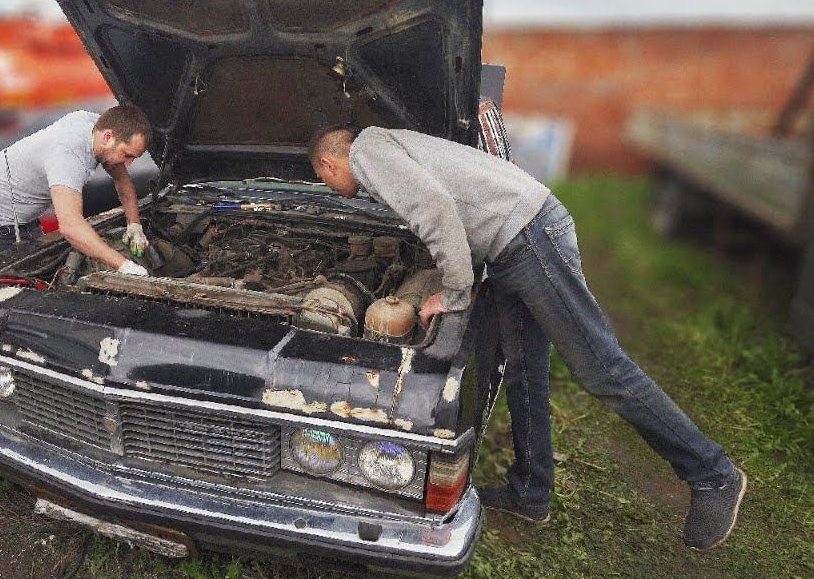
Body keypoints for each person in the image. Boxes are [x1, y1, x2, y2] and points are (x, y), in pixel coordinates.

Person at [308, 125, 747, 551]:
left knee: (602, 368)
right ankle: (531, 492)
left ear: (329, 164)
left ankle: (713, 474)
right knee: (521, 368)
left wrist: (456, 292)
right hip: (513, 246)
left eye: (323, 179)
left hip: (529, 239)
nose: (329, 187)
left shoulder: (367, 154)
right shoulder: (384, 144)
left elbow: (435, 208)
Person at [0, 103, 153, 275]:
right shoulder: (68, 155)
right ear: (107, 137)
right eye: (127, 155)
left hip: (23, 210)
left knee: (39, 273)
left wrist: (134, 224)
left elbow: (123, 181)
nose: (128, 164)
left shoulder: (99, 128)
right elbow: (71, 227)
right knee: (10, 286)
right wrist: (124, 266)